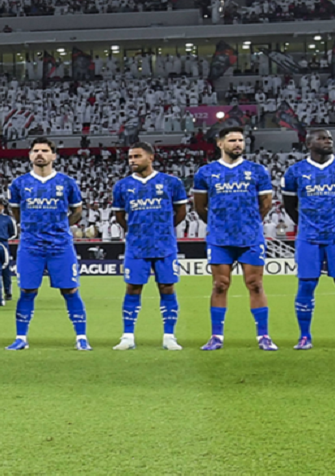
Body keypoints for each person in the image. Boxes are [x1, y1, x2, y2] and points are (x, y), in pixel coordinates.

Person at [192, 126, 276, 351]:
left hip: (251, 237)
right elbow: (200, 206)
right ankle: (216, 336)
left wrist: (249, 223)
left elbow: (266, 204)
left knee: (255, 284)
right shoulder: (206, 172)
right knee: (220, 285)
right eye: (232, 140)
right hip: (219, 238)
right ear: (220, 144)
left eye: (240, 140)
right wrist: (218, 224)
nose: (237, 144)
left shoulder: (257, 170)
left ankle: (264, 336)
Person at [282, 129, 335, 350]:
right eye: (321, 138)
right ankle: (304, 337)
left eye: (329, 138)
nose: (328, 141)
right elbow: (289, 205)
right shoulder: (295, 171)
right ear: (309, 144)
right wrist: (306, 224)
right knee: (307, 284)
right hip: (309, 237)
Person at [6, 137, 89, 351]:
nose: (40, 154)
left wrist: (61, 226)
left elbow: (77, 211)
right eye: (36, 151)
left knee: (70, 290)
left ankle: (81, 337)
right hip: (30, 246)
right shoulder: (19, 183)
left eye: (44, 150)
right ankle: (21, 338)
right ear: (30, 155)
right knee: (27, 291)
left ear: (54, 155)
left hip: (60, 245)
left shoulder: (67, 182)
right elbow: (16, 211)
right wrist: (29, 226)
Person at [111, 142, 188, 351]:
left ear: (151, 157)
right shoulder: (122, 186)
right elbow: (120, 216)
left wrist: (164, 229)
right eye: (130, 157)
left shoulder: (171, 182)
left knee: (167, 287)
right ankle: (127, 336)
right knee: (133, 287)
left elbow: (181, 212)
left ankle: (169, 336)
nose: (132, 161)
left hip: (165, 245)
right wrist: (135, 232)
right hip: (136, 246)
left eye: (137, 156)